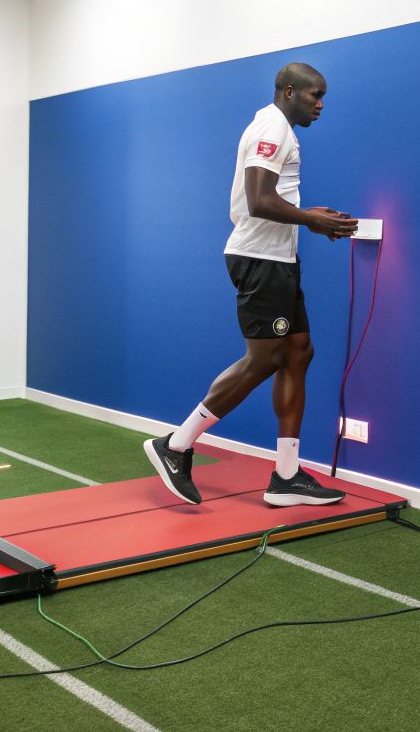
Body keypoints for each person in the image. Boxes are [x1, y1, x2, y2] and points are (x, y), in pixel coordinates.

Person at [145, 62, 359, 507]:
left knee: (298, 351)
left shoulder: (280, 128)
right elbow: (259, 200)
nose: (320, 105)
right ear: (288, 91)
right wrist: (312, 221)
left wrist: (308, 216)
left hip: (277, 258)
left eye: (324, 97)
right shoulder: (272, 127)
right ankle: (177, 445)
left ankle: (286, 475)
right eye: (314, 95)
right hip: (260, 260)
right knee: (264, 359)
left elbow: (270, 196)